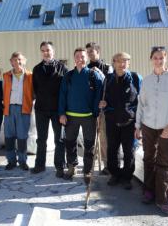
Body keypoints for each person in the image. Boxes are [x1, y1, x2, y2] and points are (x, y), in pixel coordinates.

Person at [135, 46, 168, 216]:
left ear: (165, 59)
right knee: (149, 159)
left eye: (161, 57)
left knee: (166, 162)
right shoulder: (147, 81)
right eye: (155, 58)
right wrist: (138, 126)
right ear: (151, 59)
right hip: (149, 126)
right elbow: (141, 104)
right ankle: (148, 192)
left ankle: (163, 200)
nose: (158, 60)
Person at [58, 47, 103, 184]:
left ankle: (87, 170)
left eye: (82, 56)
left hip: (88, 116)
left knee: (89, 145)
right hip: (71, 116)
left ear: (86, 58)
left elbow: (98, 94)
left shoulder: (92, 75)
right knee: (70, 143)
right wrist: (61, 113)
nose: (80, 59)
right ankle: (72, 167)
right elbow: (62, 95)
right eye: (77, 56)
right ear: (74, 58)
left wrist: (96, 112)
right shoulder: (69, 76)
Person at [99, 52, 142, 190]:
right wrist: (103, 104)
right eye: (118, 61)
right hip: (112, 120)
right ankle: (115, 174)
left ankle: (126, 177)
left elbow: (141, 101)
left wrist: (139, 123)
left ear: (128, 63)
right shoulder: (108, 79)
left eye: (125, 61)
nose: (121, 64)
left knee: (129, 151)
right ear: (114, 62)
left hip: (129, 121)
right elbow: (103, 98)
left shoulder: (135, 78)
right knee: (112, 149)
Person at [31, 41, 68, 178]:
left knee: (59, 139)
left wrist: (63, 110)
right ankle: (40, 165)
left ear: (53, 51)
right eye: (43, 50)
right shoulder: (36, 69)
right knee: (41, 139)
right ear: (41, 52)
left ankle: (59, 166)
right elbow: (35, 88)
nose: (46, 52)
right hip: (41, 109)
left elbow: (66, 90)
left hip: (57, 110)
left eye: (48, 50)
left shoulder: (62, 68)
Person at [3, 52, 34, 171]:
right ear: (11, 61)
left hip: (23, 109)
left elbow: (34, 93)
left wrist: (30, 102)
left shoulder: (30, 75)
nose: (18, 62)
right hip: (9, 109)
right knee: (9, 136)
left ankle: (22, 161)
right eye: (15, 60)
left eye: (20, 60)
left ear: (24, 61)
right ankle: (11, 161)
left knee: (22, 137)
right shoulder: (6, 75)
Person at [86, 41, 113, 175]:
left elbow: (111, 85)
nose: (90, 54)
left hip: (103, 109)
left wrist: (100, 74)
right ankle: (89, 163)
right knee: (91, 137)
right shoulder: (86, 68)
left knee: (104, 138)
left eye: (92, 51)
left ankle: (107, 164)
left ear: (98, 51)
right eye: (88, 52)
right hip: (91, 109)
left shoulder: (107, 67)